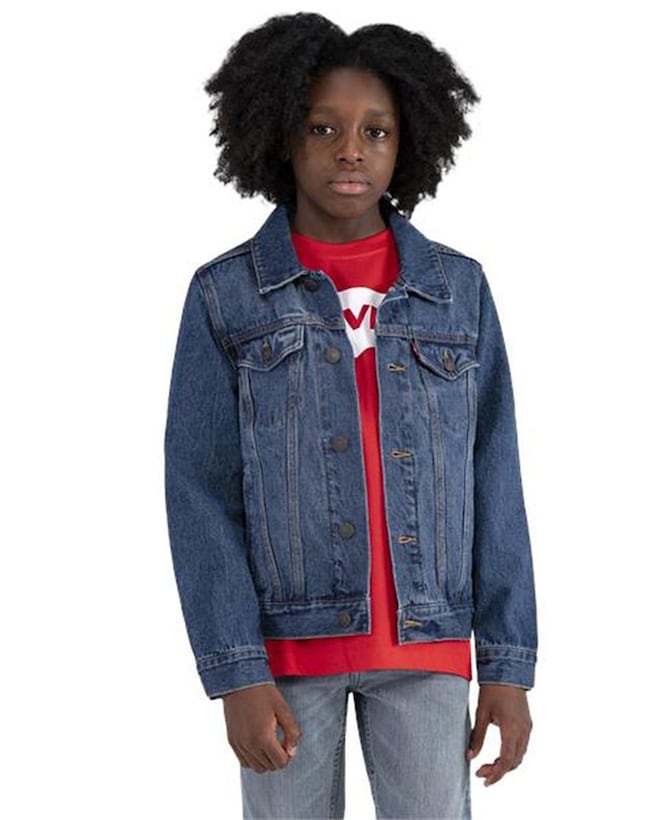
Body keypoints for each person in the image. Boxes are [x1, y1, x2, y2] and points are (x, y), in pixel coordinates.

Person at [164, 12, 538, 819]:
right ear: (278, 135)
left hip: (427, 647)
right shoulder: (226, 296)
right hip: (286, 657)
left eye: (376, 131)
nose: (349, 150)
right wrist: (235, 670)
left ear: (408, 143)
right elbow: (199, 493)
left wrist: (507, 667)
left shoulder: (457, 291)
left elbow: (494, 480)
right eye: (322, 127)